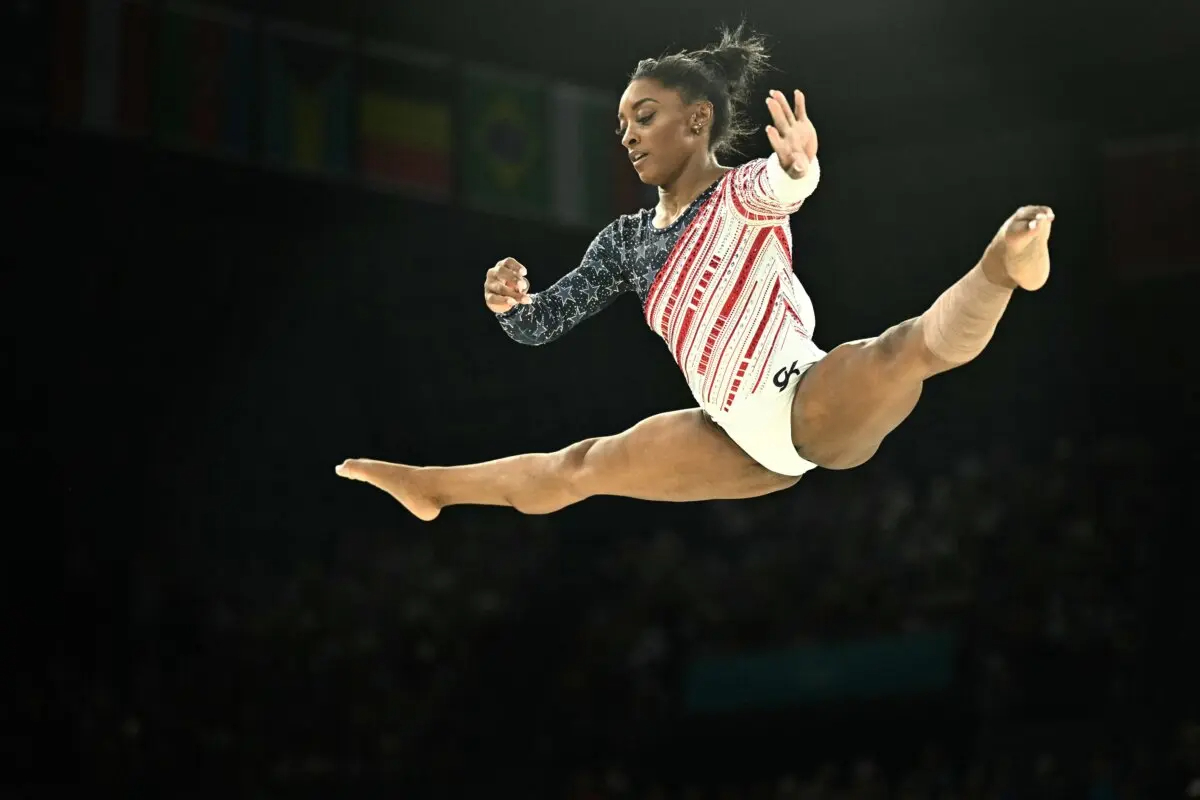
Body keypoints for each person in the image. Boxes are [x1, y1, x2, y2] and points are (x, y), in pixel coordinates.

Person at [336, 25, 1054, 521]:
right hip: (732, 444)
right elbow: (540, 325)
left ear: (697, 119)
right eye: (622, 126)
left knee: (906, 350)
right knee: (579, 467)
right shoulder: (624, 243)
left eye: (644, 117)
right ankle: (430, 487)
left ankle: (1004, 264)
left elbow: (785, 185)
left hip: (810, 403)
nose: (629, 137)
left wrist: (800, 164)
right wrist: (508, 304)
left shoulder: (741, 195)